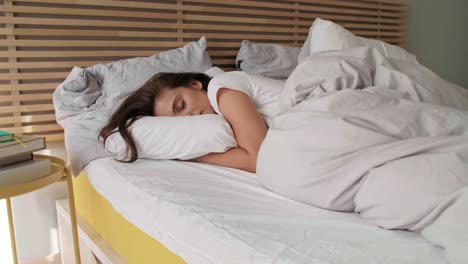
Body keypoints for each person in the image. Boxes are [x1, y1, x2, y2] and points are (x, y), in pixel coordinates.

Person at [99, 71, 285, 173]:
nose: (188, 117)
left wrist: (192, 155)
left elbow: (257, 160)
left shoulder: (221, 87)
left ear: (194, 84)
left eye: (181, 105)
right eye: (176, 120)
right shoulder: (222, 115)